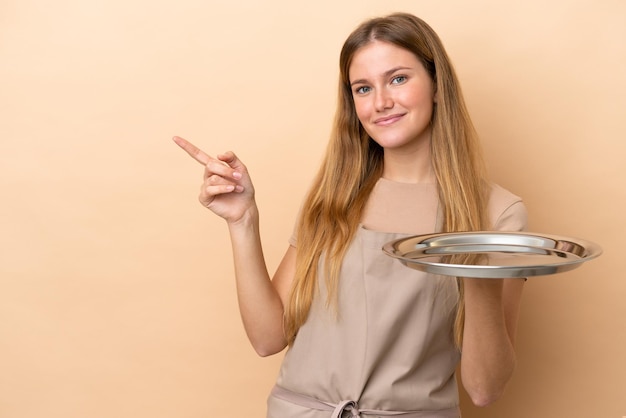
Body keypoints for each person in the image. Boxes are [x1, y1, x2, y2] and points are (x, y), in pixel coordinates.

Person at [174, 12, 527, 418]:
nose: (381, 102)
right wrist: (242, 222)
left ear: (436, 85)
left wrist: (476, 265)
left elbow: (485, 389)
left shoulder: (497, 214)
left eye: (398, 79)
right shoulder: (332, 198)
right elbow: (267, 338)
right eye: (363, 88)